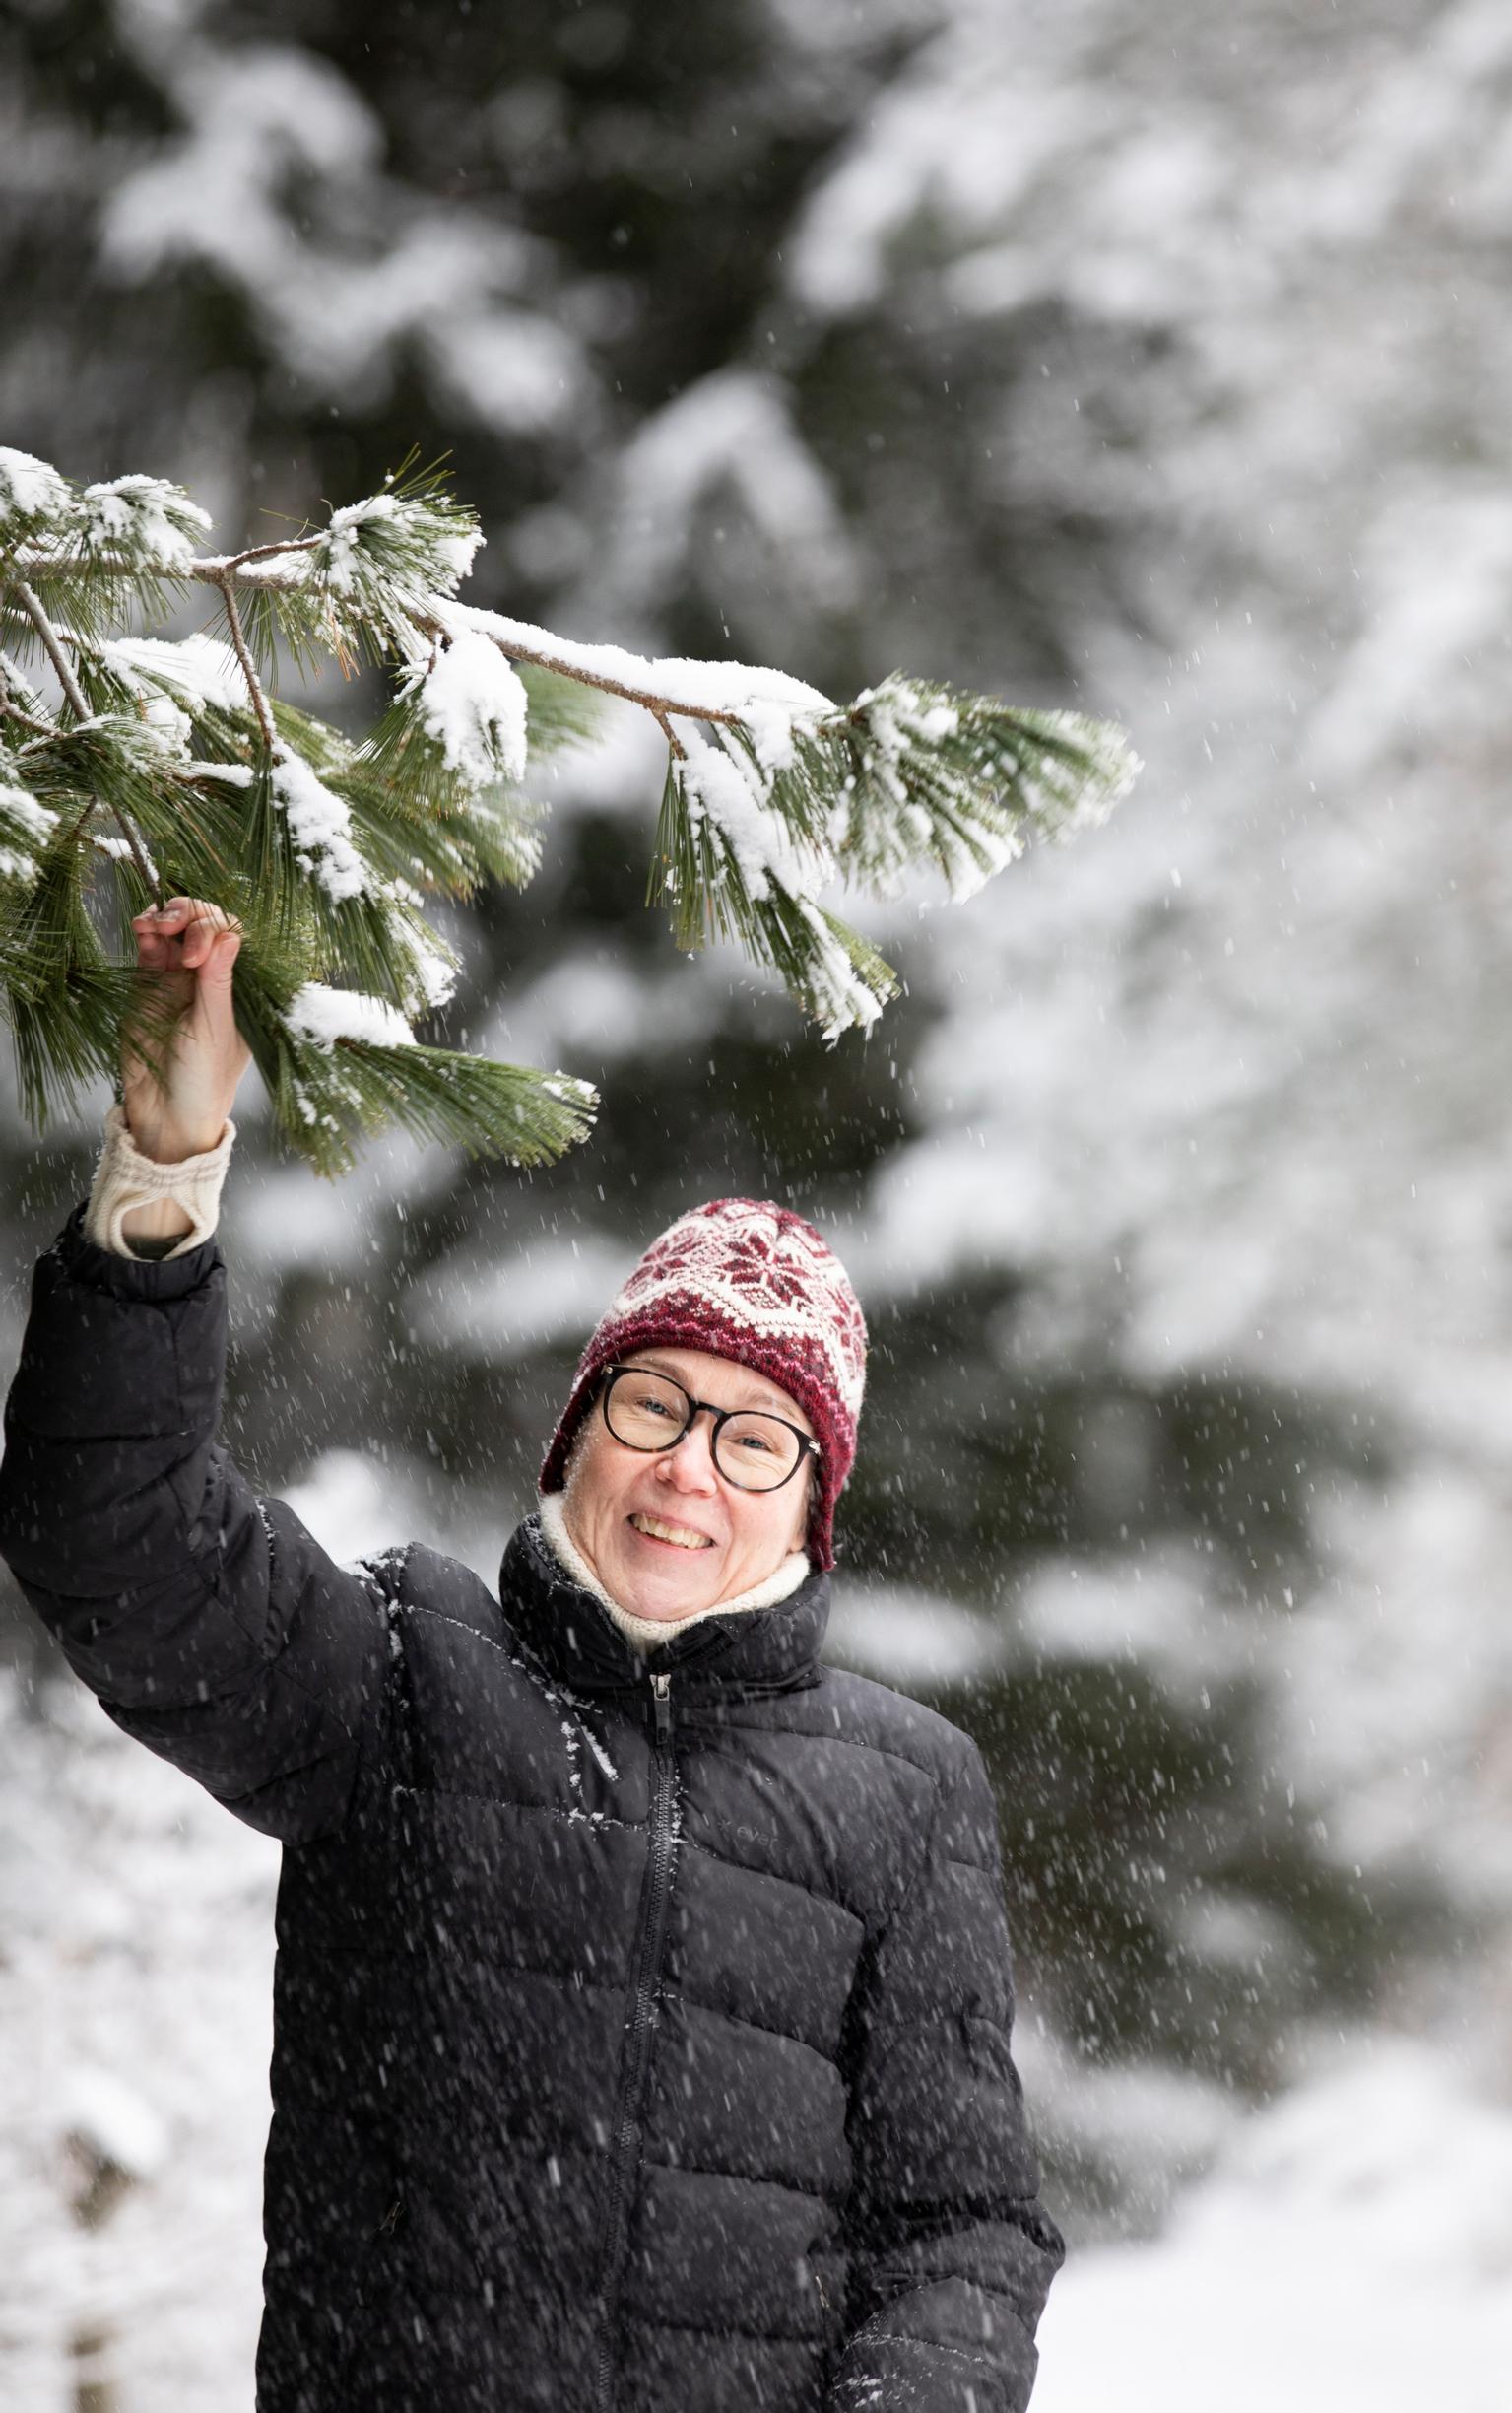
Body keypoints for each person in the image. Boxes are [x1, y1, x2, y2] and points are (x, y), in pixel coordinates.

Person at [0, 896, 1064, 2413]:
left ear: (813, 1503)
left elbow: (960, 2221)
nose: (692, 1467)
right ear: (581, 1431)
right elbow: (108, 1532)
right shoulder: (398, 1671)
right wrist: (165, 1170)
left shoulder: (904, 1791)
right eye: (656, 1405)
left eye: (756, 1436)